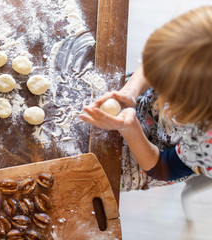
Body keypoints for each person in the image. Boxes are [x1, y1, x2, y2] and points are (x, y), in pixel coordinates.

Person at [79, 6, 212, 191]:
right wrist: (130, 92)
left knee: (83, 179)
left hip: (149, 156)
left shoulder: (207, 142)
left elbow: (163, 168)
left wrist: (130, 129)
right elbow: (156, 62)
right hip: (144, 98)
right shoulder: (201, 37)